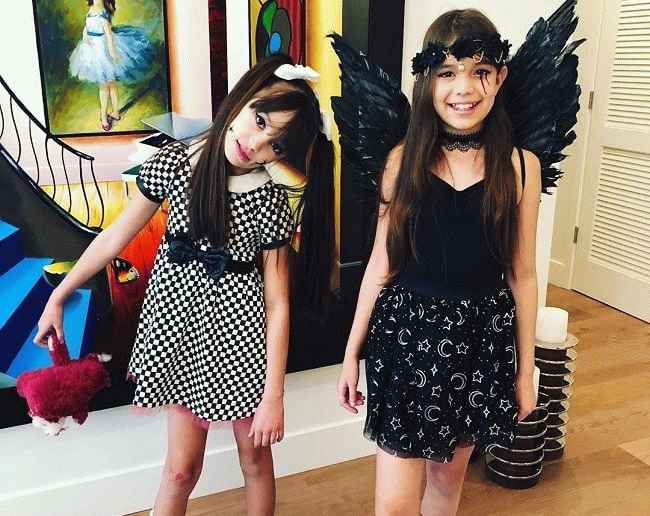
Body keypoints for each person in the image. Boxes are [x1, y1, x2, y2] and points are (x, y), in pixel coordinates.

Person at [35, 53, 334, 516]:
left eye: (274, 143)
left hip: (241, 338)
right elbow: (114, 237)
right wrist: (59, 294)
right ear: (242, 99)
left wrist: (274, 394)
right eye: (258, 121)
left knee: (255, 459)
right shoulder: (174, 163)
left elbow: (277, 302)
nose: (254, 143)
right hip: (177, 331)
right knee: (179, 471)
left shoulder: (270, 198)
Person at [337, 9, 541, 515]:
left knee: (447, 485)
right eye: (448, 73)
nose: (463, 88)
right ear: (428, 80)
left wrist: (525, 371)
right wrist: (351, 350)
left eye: (479, 71)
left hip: (479, 344)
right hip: (407, 341)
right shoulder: (401, 160)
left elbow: (522, 274)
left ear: (500, 77)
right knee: (394, 504)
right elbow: (380, 265)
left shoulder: (521, 167)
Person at [69, 0, 155, 131]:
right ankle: (112, 114)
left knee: (107, 85)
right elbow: (86, 27)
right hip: (94, 50)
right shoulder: (91, 10)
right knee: (108, 84)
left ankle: (106, 116)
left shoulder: (103, 14)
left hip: (103, 51)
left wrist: (113, 54)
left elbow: (109, 36)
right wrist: (85, 36)